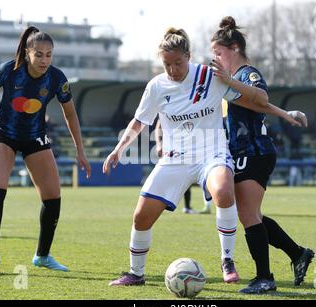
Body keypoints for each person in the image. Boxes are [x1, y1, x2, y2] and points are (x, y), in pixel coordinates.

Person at [103, 27, 303, 287]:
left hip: (213, 154)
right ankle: (135, 274)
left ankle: (227, 260)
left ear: (189, 56)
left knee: (223, 190)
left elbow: (255, 101)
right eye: (166, 64)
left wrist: (286, 114)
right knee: (141, 216)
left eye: (178, 63)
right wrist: (119, 149)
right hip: (176, 159)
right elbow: (139, 121)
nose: (173, 70)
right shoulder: (156, 86)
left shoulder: (210, 77)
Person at [0, 26, 91, 275]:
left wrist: (80, 150)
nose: (44, 60)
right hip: (3, 134)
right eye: (39, 54)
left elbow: (70, 114)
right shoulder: (8, 70)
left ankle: (43, 255)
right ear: (27, 53)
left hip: (35, 137)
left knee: (53, 196)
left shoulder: (57, 79)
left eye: (49, 55)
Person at [210, 16, 315, 294]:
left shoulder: (247, 73)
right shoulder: (228, 81)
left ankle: (265, 278)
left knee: (247, 215)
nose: (216, 59)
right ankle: (298, 254)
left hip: (256, 151)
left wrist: (230, 80)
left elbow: (260, 96)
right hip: (240, 153)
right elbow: (258, 105)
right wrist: (285, 114)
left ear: (233, 49)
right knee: (251, 214)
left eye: (218, 53)